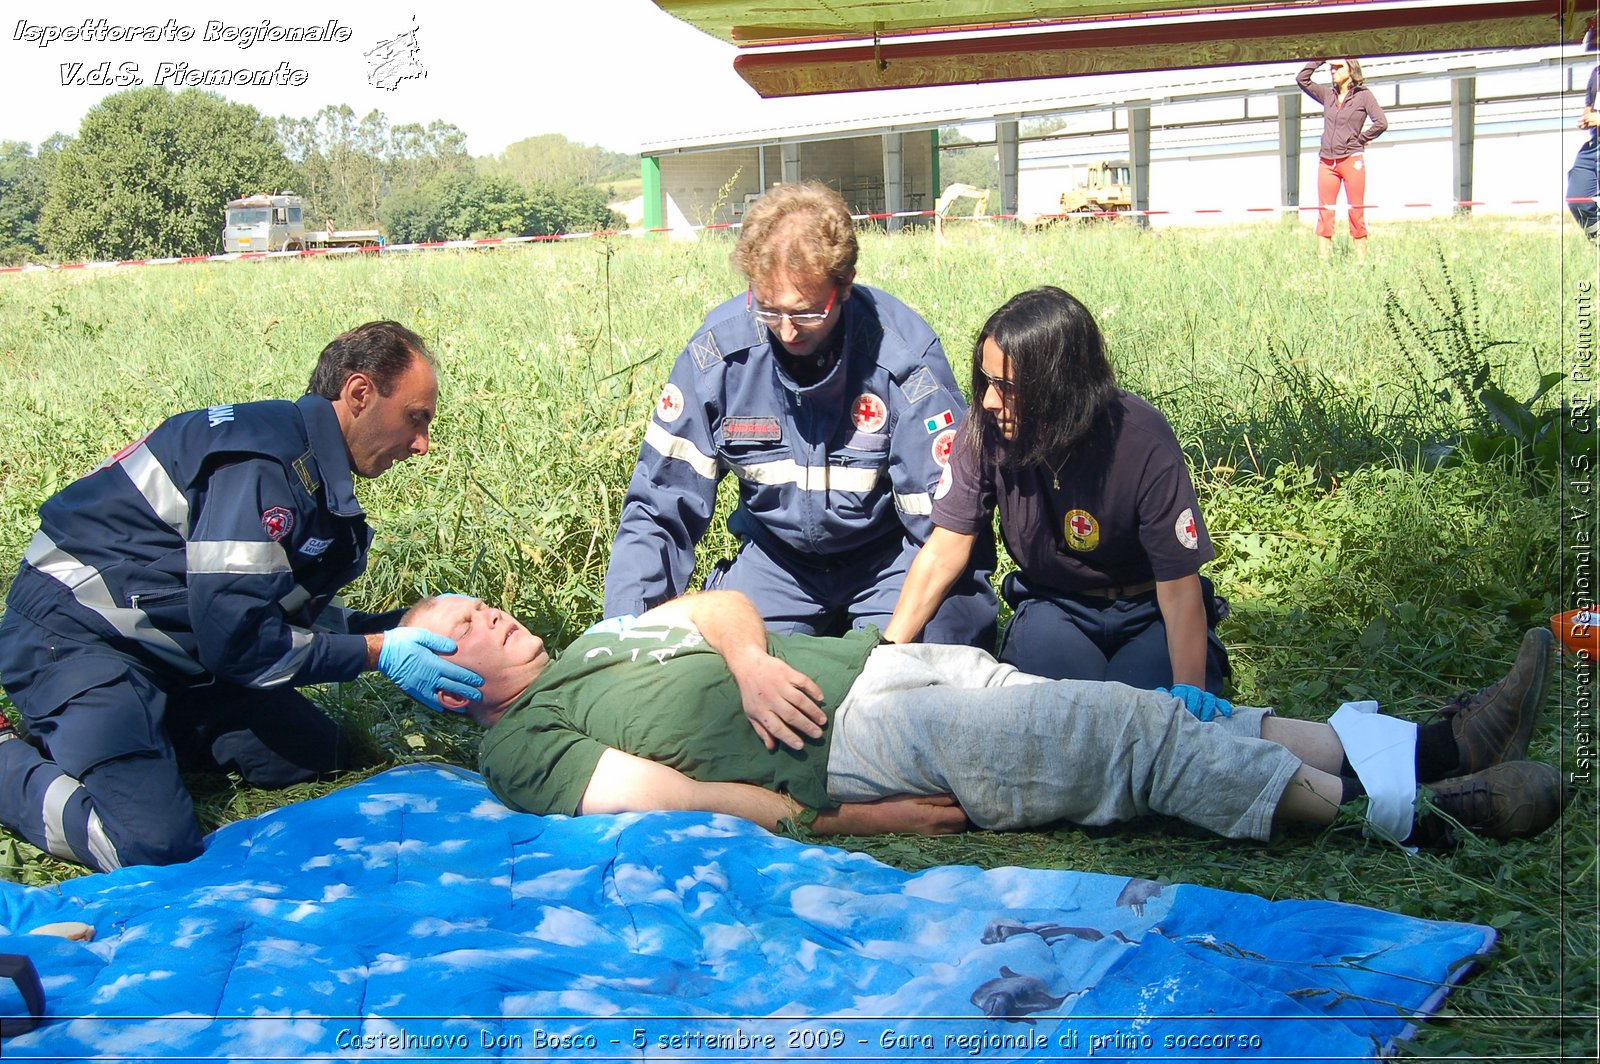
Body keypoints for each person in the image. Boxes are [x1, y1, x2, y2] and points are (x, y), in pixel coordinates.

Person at [407, 592, 1565, 849]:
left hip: (896, 665)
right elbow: (668, 796)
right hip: (862, 744)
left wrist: (751, 658)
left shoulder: (601, 636)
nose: (489, 611)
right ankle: (1416, 811)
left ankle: (1433, 745)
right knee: (1130, 733)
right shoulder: (517, 745)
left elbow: (715, 603)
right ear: (444, 674)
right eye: (460, 620)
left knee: (1147, 707)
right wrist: (860, 816)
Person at [0, 322, 484, 872]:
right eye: (415, 419)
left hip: (174, 652)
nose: (421, 445)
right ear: (358, 393)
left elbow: (274, 611)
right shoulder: (263, 466)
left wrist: (408, 622)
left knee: (318, 754)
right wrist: (379, 651)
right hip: (74, 641)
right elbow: (241, 641)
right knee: (153, 847)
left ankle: (138, 737)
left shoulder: (310, 470)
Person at [603, 180, 997, 647]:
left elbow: (946, 531)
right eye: (768, 310)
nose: (787, 332)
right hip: (777, 564)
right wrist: (623, 639)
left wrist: (897, 649)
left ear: (845, 286)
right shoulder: (719, 357)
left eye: (807, 313)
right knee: (710, 676)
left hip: (891, 561)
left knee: (919, 677)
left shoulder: (904, 363)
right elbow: (658, 505)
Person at [885, 288, 1229, 717]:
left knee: (1146, 721)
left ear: (1061, 388)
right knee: (1050, 717)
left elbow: (1179, 589)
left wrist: (1188, 694)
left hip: (1149, 611)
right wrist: (889, 653)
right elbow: (944, 550)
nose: (990, 401)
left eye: (1007, 387)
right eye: (986, 381)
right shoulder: (984, 431)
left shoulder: (1142, 442)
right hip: (1055, 607)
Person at [1297, 57, 1388, 260]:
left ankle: (1360, 263)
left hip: (1351, 159)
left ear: (1351, 70)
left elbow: (1381, 123)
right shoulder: (1327, 95)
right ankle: (1323, 263)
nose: (1333, 71)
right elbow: (1302, 79)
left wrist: (1361, 140)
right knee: (1325, 212)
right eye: (1331, 67)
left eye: (1338, 67)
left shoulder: (1364, 96)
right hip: (1327, 162)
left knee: (1356, 211)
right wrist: (1319, 59)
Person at [1566, 31, 1600, 241]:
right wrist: (1586, 118)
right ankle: (1597, 239)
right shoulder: (1596, 74)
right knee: (1576, 196)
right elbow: (1590, 107)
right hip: (1594, 145)